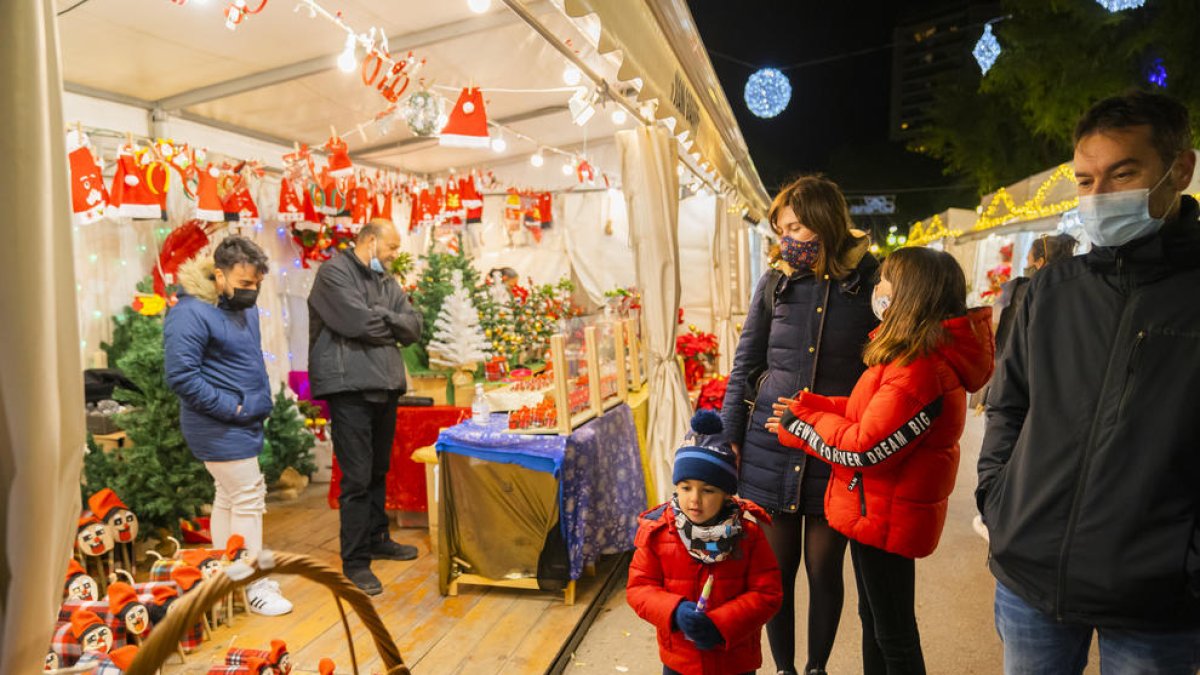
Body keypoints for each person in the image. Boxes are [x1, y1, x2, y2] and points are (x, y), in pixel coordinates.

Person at [978, 91, 1200, 673]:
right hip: (1030, 577)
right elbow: (1009, 406)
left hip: (1156, 600)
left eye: (1122, 174)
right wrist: (997, 501)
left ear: (1180, 168)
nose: (1099, 197)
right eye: (1084, 180)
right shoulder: (1051, 291)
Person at [770, 247, 993, 674]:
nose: (878, 289)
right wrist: (814, 408)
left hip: (887, 512)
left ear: (909, 294)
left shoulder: (917, 367)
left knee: (892, 634)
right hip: (879, 507)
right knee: (876, 623)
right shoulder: (910, 355)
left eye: (886, 280)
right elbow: (871, 413)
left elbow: (864, 448)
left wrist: (803, 425)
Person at [720, 174, 879, 675]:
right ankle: (785, 670)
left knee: (824, 567)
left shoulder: (872, 281)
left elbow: (887, 364)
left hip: (835, 444)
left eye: (794, 225)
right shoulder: (776, 280)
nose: (786, 237)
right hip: (770, 446)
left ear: (824, 221)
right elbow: (745, 362)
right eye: (781, 227)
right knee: (776, 572)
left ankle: (816, 668)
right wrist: (728, 437)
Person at [163, 235, 292, 616]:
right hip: (217, 424)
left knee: (229, 496)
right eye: (244, 285)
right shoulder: (189, 312)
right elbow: (182, 376)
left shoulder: (243, 309)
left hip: (243, 418)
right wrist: (234, 407)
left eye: (257, 285)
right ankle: (253, 582)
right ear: (219, 275)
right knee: (249, 496)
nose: (252, 292)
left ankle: (226, 575)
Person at [308, 218, 423, 595]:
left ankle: (377, 537)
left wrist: (388, 319)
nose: (394, 255)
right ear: (370, 241)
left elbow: (412, 327)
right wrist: (389, 323)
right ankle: (355, 561)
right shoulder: (333, 273)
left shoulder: (386, 280)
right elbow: (358, 323)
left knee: (378, 470)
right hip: (349, 386)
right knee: (356, 477)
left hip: (385, 383)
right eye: (391, 248)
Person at [627, 411, 783, 675]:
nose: (694, 499)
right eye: (686, 487)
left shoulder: (748, 535)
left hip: (733, 660)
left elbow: (767, 594)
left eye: (708, 490)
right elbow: (639, 588)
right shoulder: (659, 533)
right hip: (680, 662)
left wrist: (721, 624)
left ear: (725, 493)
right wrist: (674, 611)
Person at [992, 233, 1077, 357]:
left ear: (1040, 262)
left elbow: (1006, 345)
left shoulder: (1022, 292)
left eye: (1028, 260)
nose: (1026, 266)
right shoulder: (1073, 293)